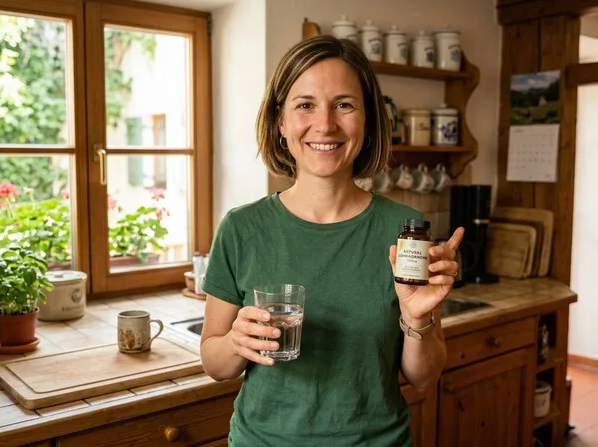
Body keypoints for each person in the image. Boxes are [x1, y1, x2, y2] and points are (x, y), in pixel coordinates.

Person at [199, 34, 464, 446]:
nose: (325, 124)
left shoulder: (407, 231)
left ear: (369, 120)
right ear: (280, 122)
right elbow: (215, 364)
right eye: (305, 105)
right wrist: (236, 340)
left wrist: (417, 319)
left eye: (344, 104)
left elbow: (424, 377)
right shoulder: (240, 228)